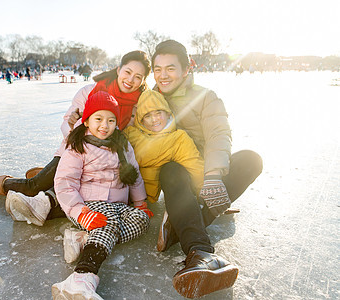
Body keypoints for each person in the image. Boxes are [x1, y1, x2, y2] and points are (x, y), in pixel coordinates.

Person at [0, 50, 151, 226]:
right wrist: (77, 128)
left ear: (143, 81)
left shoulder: (139, 104)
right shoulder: (90, 91)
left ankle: (52, 181)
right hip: (77, 152)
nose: (131, 79)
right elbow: (65, 124)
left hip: (106, 163)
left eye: (138, 76)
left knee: (103, 202)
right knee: (34, 187)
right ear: (118, 69)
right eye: (128, 72)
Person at [151, 40, 263, 298]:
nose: (163, 75)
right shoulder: (150, 99)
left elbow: (218, 134)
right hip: (176, 176)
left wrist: (213, 176)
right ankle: (200, 250)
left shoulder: (205, 97)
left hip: (206, 173)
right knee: (170, 169)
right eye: (158, 69)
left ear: (185, 69)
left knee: (251, 159)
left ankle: (183, 225)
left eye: (170, 68)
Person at [51, 91, 152, 300]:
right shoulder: (78, 146)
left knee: (141, 221)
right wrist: (80, 212)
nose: (104, 125)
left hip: (116, 205)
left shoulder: (122, 145)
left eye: (111, 120)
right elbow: (65, 183)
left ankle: (85, 239)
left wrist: (140, 202)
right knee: (108, 223)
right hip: (86, 206)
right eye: (98, 119)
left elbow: (134, 174)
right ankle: (82, 276)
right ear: (87, 120)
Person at [124, 89, 205, 204]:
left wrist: (206, 192)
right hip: (126, 196)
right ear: (141, 120)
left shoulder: (178, 139)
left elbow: (195, 166)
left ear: (167, 113)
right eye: (147, 116)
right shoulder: (131, 134)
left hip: (148, 197)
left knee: (173, 170)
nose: (154, 119)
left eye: (158, 113)